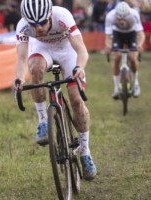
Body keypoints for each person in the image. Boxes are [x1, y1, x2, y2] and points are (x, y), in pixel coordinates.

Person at [12, 0, 96, 181]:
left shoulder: (63, 16)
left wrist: (79, 67)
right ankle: (43, 121)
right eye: (34, 24)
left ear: (50, 15)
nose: (39, 28)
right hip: (43, 51)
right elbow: (21, 58)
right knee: (34, 69)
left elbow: (81, 49)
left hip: (68, 52)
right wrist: (19, 78)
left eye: (42, 22)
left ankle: (85, 152)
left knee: (75, 99)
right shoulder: (23, 26)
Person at [104, 1, 145, 99]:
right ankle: (116, 88)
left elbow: (141, 34)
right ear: (116, 14)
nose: (122, 20)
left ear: (128, 14)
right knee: (116, 56)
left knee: (132, 57)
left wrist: (140, 45)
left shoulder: (134, 14)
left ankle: (135, 84)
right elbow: (108, 36)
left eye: (124, 18)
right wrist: (108, 46)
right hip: (117, 34)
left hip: (131, 34)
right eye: (119, 18)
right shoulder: (110, 16)